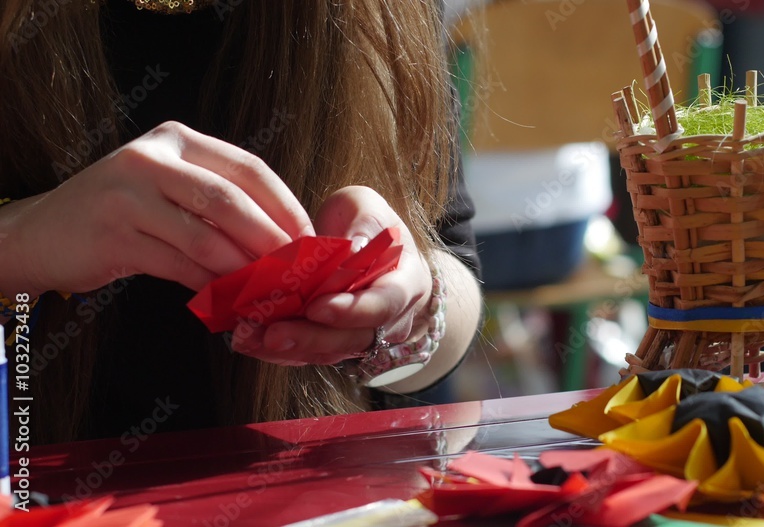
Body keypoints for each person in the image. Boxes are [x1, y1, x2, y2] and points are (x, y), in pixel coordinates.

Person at [0, 0, 483, 445]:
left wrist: (412, 309)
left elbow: (453, 256)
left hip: (311, 498)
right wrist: (19, 245)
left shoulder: (377, 11)